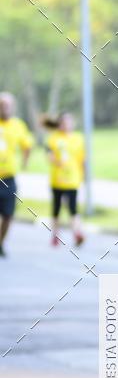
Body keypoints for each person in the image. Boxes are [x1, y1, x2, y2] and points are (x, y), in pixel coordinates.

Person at [43, 113, 85, 246]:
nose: (67, 125)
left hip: (72, 179)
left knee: (73, 207)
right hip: (57, 179)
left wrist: (83, 174)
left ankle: (77, 232)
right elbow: (49, 154)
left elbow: (82, 158)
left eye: (69, 122)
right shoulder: (53, 138)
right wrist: (55, 160)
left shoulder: (78, 138)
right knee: (56, 208)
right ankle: (55, 235)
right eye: (64, 122)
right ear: (60, 124)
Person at [0, 92, 34, 257]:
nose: (5, 108)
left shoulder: (18, 125)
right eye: (2, 105)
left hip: (8, 177)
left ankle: (0, 243)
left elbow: (27, 144)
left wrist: (25, 161)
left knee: (8, 214)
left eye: (7, 105)